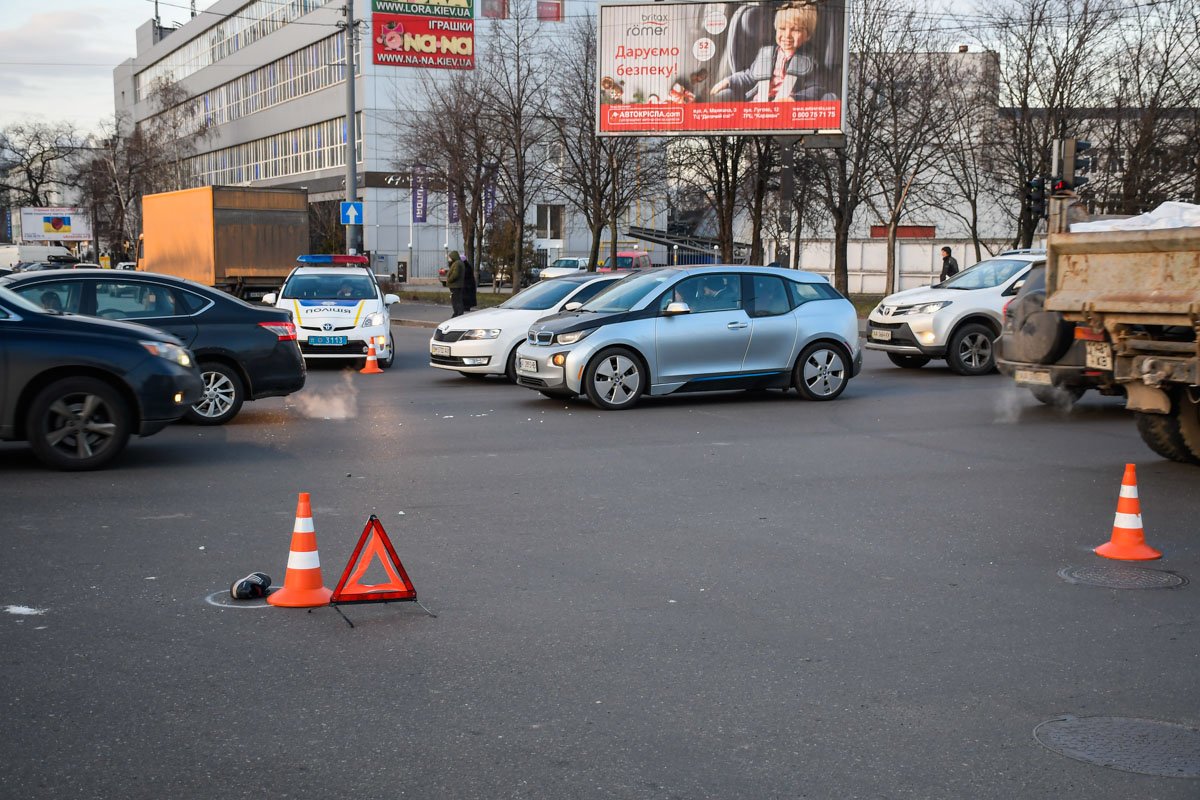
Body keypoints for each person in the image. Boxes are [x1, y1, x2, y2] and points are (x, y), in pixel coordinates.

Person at [711, 3, 836, 103]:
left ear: (807, 35)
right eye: (782, 28)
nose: (787, 35)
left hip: (787, 109)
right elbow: (749, 76)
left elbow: (816, 89)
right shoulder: (765, 54)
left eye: (796, 30)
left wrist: (795, 99)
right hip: (758, 106)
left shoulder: (809, 61)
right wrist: (729, 81)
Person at [446, 249, 465, 317]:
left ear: (453, 257)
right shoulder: (458, 263)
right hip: (457, 285)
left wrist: (449, 280)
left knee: (455, 300)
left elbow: (455, 274)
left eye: (450, 257)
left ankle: (457, 313)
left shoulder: (457, 263)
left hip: (455, 285)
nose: (449, 259)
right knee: (458, 299)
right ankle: (458, 313)